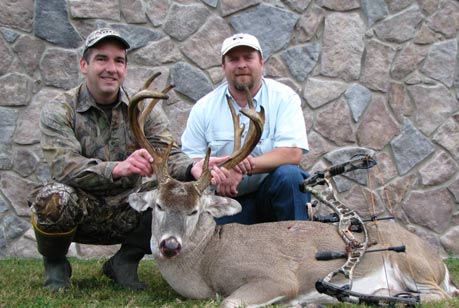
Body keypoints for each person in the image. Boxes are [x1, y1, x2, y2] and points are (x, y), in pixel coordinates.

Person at [30, 28, 228, 292]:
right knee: (53, 199)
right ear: (83, 65)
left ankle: (124, 262)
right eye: (102, 59)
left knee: (170, 191)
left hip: (129, 206)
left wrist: (193, 168)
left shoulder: (144, 111)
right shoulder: (60, 109)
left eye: (119, 61)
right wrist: (117, 168)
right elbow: (63, 165)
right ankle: (55, 264)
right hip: (80, 206)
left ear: (125, 68)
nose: (111, 68)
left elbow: (168, 154)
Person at [181, 33, 311, 225]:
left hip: (270, 197)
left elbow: (292, 153)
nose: (241, 64)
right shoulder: (204, 108)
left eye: (248, 57)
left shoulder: (284, 98)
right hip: (225, 203)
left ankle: (298, 247)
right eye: (233, 59)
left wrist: (240, 168)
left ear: (261, 62)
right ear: (223, 67)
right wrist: (217, 175)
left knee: (291, 176)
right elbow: (190, 160)